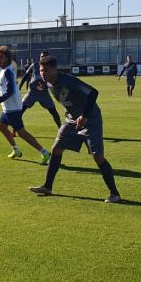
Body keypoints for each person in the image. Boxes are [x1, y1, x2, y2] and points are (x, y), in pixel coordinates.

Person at [29, 56, 122, 203]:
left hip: (90, 118)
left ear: (54, 69)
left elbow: (93, 93)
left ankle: (115, 194)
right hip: (72, 119)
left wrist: (84, 115)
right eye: (41, 70)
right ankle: (47, 186)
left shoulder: (68, 80)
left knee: (98, 157)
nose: (43, 73)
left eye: (46, 70)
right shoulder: (46, 83)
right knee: (56, 148)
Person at [0, 46, 51, 164]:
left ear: (7, 58)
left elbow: (11, 91)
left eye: (1, 57)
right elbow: (4, 86)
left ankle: (44, 152)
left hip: (13, 108)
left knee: (21, 133)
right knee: (1, 127)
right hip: (7, 108)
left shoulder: (7, 71)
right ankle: (16, 150)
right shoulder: (2, 70)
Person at [19, 52, 62, 128]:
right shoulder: (34, 65)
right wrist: (19, 87)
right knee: (20, 111)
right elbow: (25, 76)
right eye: (41, 56)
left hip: (44, 93)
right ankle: (16, 130)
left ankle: (61, 129)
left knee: (54, 112)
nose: (43, 58)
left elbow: (55, 80)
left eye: (45, 56)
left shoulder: (51, 67)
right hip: (31, 92)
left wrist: (47, 86)